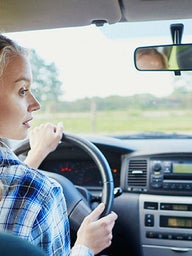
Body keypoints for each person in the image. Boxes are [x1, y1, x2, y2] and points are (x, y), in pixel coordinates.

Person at [0, 34, 117, 255]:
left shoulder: (26, 186)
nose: (36, 104)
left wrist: (36, 154)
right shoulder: (42, 191)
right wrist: (85, 246)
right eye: (22, 90)